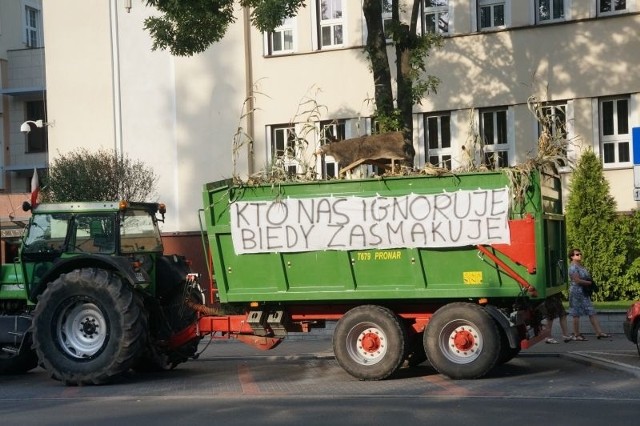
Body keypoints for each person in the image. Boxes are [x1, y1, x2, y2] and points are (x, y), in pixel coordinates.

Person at [567, 248, 611, 341]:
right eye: (577, 254)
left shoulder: (581, 266)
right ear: (572, 257)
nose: (580, 255)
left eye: (580, 254)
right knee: (576, 313)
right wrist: (590, 283)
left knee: (591, 311)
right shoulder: (573, 267)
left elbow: (586, 277)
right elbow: (577, 280)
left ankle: (599, 332)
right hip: (576, 292)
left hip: (584, 292)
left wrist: (590, 283)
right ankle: (576, 334)